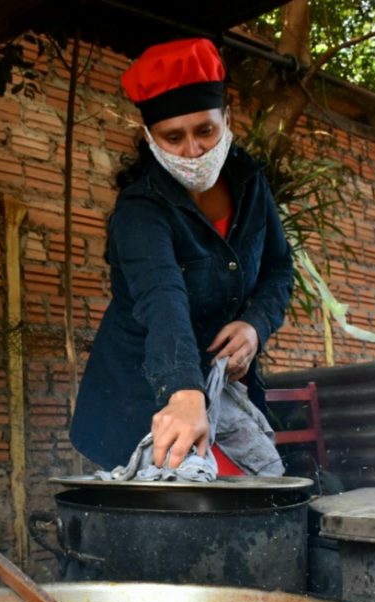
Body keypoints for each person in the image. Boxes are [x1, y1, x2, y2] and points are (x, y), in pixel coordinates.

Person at [71, 38, 294, 475]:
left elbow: (279, 268)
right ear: (149, 137)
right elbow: (162, 298)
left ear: (226, 119)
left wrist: (255, 325)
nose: (193, 150)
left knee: (253, 494)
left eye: (205, 131)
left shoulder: (250, 184)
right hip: (144, 396)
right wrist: (183, 392)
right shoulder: (140, 210)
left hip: (221, 390)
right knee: (173, 504)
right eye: (173, 137)